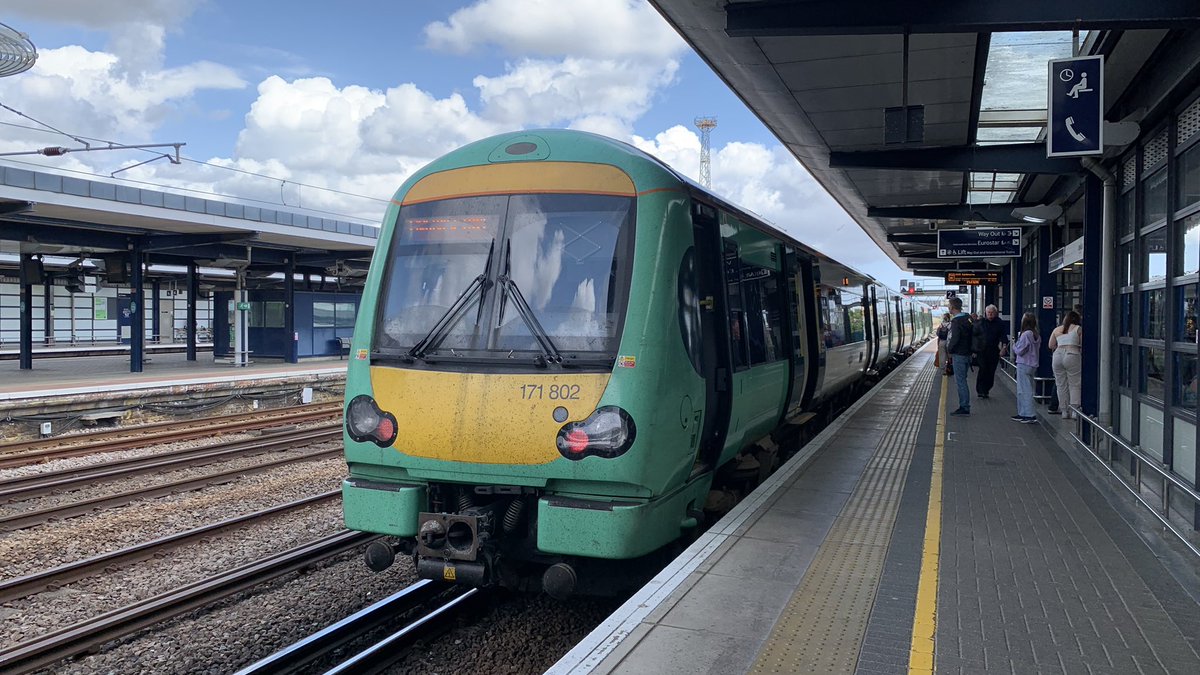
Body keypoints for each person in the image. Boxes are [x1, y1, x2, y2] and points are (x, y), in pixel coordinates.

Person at [1049, 310, 1083, 420]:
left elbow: (1051, 345)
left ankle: (1064, 411)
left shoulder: (1057, 329)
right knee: (1074, 384)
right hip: (1072, 354)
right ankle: (1074, 411)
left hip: (1057, 355)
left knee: (1060, 384)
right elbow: (1082, 344)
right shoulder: (1078, 329)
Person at [945, 297, 973, 416]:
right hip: (967, 353)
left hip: (959, 355)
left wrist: (949, 350)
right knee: (963, 380)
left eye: (949, 306)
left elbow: (955, 338)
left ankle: (964, 407)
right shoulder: (968, 318)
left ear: (952, 307)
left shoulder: (956, 321)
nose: (948, 308)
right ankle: (965, 405)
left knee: (960, 381)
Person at [1011, 312, 1041, 424]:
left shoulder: (1025, 334)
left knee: (1024, 390)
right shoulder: (1036, 334)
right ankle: (1022, 413)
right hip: (1033, 364)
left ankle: (1029, 414)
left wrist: (1014, 344)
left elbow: (1020, 350)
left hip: (1024, 364)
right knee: (1026, 389)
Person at [975, 304, 1009, 399]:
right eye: (988, 312)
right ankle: (980, 390)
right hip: (981, 350)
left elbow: (1004, 337)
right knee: (983, 369)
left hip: (993, 350)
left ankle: (987, 389)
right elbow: (975, 336)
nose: (990, 314)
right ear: (985, 313)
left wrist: (1004, 348)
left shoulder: (999, 323)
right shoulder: (981, 322)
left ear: (995, 313)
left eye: (992, 312)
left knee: (991, 371)